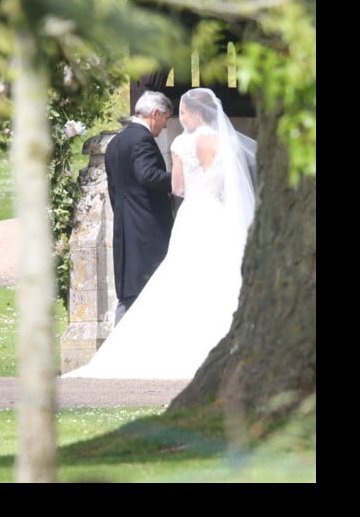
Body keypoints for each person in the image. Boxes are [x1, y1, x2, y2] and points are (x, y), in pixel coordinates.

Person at [62, 88, 255, 379]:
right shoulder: (223, 143)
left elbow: (176, 188)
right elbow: (155, 178)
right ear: (155, 113)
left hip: (186, 216)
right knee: (221, 275)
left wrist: (189, 181)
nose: (172, 121)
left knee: (177, 280)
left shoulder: (132, 142)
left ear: (195, 113)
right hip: (213, 213)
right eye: (167, 116)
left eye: (182, 113)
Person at [105, 90, 175, 324]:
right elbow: (148, 175)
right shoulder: (141, 139)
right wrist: (177, 181)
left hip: (126, 225)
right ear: (155, 114)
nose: (164, 127)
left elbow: (114, 188)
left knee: (131, 287)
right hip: (147, 227)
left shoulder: (116, 142)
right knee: (148, 287)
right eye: (165, 120)